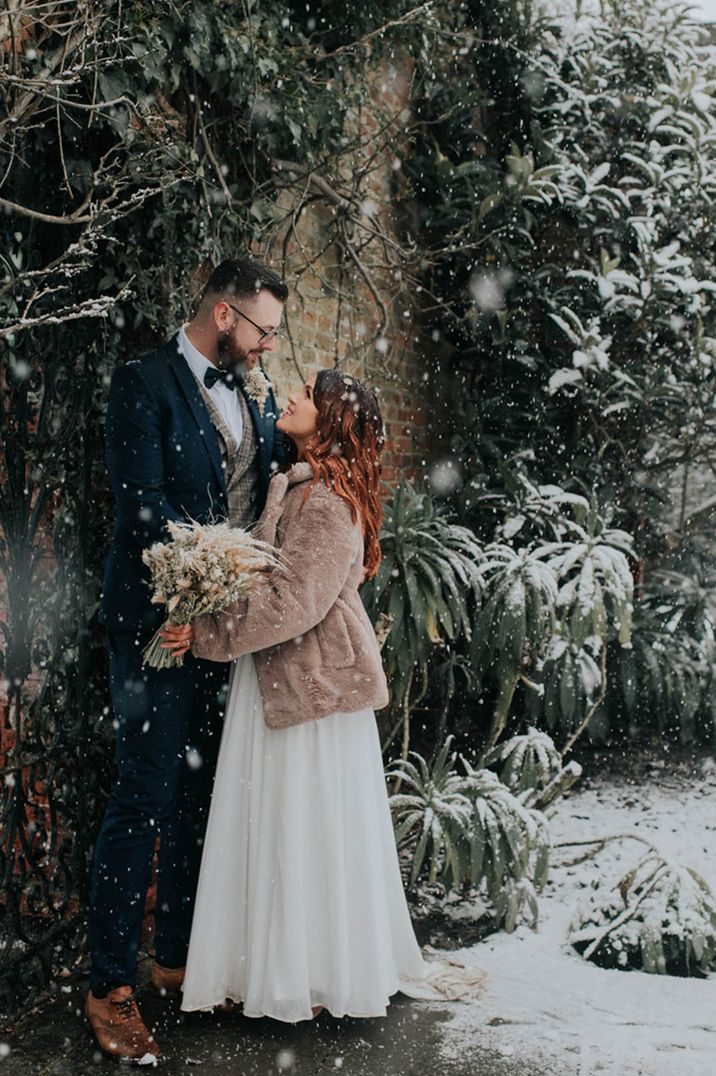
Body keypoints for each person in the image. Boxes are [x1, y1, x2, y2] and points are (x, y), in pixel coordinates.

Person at [160, 369, 485, 1021]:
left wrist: (207, 634)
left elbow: (292, 604)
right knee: (281, 826)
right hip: (281, 679)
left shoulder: (329, 500)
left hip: (310, 688)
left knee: (301, 828)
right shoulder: (301, 485)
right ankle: (278, 969)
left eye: (308, 396)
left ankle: (305, 977)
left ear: (330, 419)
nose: (293, 401)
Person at [86, 256, 288, 1061]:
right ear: (225, 317)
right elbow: (144, 507)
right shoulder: (143, 382)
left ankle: (177, 959)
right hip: (155, 628)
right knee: (145, 793)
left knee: (204, 792)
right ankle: (109, 986)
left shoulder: (252, 395)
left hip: (218, 635)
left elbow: (257, 489)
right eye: (264, 330)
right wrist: (205, 586)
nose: (271, 346)